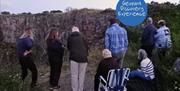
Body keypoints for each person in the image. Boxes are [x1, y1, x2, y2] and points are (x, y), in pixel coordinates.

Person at [67, 26, 88, 91]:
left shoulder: (69, 37)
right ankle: (80, 89)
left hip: (73, 58)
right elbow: (87, 46)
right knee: (82, 75)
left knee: (74, 75)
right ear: (78, 31)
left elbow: (69, 47)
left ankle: (74, 89)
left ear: (72, 31)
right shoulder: (83, 37)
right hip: (83, 58)